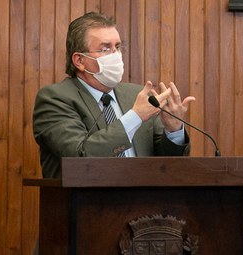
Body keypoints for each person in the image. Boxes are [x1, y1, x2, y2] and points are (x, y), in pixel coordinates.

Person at [32, 12, 194, 178]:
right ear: (79, 60)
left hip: (144, 194)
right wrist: (135, 117)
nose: (115, 55)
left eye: (117, 47)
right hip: (88, 194)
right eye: (105, 49)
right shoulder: (54, 99)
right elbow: (80, 156)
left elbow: (168, 165)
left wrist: (173, 129)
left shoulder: (136, 95)